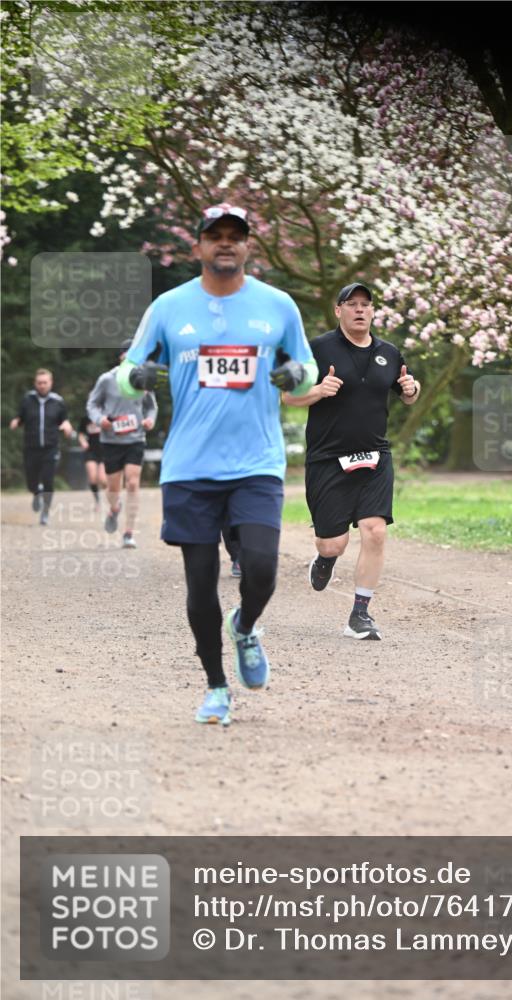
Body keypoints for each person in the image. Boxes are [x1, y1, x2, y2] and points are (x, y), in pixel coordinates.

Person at [116, 203, 317, 725]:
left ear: (248, 246)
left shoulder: (278, 306)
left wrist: (295, 372)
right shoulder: (168, 306)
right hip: (190, 467)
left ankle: (246, 626)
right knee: (200, 584)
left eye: (236, 236)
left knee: (264, 568)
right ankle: (216, 687)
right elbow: (126, 368)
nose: (225, 243)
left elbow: (307, 365)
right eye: (215, 236)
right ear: (198, 247)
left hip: (257, 461)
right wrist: (135, 379)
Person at [282, 282, 420, 640]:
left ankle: (360, 615)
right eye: (351, 304)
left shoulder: (389, 352)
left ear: (373, 312)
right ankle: (325, 559)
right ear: (338, 311)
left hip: (376, 456)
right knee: (333, 543)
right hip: (327, 458)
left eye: (366, 304)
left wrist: (411, 391)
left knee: (375, 532)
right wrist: (317, 392)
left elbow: (405, 391)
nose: (360, 310)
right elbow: (288, 397)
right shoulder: (317, 349)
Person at [86, 340, 158, 548]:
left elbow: (151, 407)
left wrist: (150, 420)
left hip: (135, 438)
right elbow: (92, 404)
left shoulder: (143, 379)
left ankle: (128, 533)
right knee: (113, 487)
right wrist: (100, 420)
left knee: (133, 483)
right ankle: (114, 508)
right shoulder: (107, 379)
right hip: (111, 440)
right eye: (127, 355)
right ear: (120, 357)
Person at [9, 368, 74, 525]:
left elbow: (64, 420)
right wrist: (16, 421)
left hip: (50, 448)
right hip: (31, 447)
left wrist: (67, 426)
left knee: (48, 480)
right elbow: (20, 417)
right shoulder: (27, 400)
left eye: (45, 382)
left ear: (50, 383)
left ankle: (45, 512)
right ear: (35, 384)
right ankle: (36, 492)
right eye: (39, 383)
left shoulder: (58, 401)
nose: (42, 386)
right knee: (31, 482)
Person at [77, 411, 107, 507]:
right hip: (91, 451)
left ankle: (111, 496)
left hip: (104, 450)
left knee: (102, 479)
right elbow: (81, 434)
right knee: (92, 478)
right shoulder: (86, 417)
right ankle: (97, 500)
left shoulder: (107, 415)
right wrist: (83, 442)